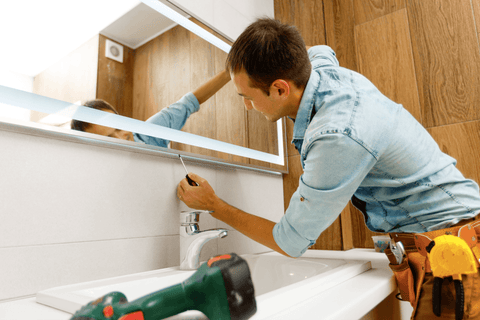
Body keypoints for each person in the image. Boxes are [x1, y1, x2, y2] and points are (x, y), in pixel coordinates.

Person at [176, 18, 480, 319]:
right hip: (448, 238)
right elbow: (320, 49)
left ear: (280, 89)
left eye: (247, 97)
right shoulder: (317, 69)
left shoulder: (336, 135)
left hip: (452, 256)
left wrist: (214, 205)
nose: (247, 107)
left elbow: (289, 241)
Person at [71, 69, 231, 148]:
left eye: (119, 128)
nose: (121, 138)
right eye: (109, 139)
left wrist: (229, 72)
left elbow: (189, 102)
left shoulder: (149, 133)